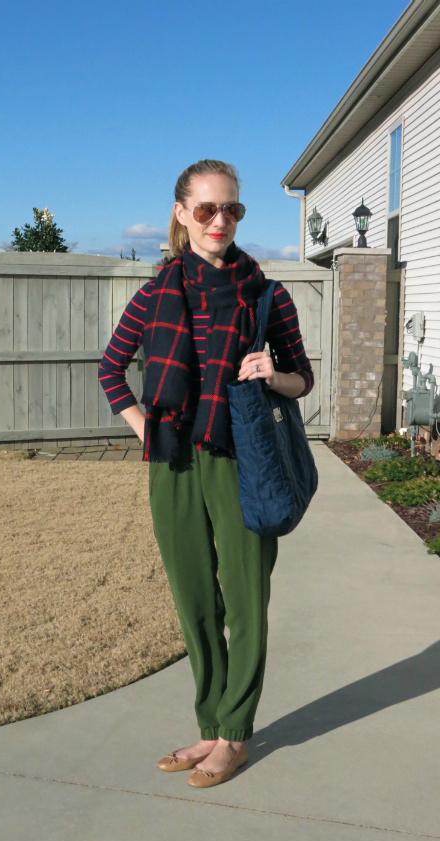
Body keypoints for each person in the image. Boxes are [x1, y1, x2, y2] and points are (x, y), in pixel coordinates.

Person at [99, 159, 314, 788]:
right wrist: (147, 427)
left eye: (232, 210)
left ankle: (235, 734)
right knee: (195, 599)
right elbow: (112, 368)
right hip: (173, 463)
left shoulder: (265, 292)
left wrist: (271, 375)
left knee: (246, 598)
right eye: (207, 209)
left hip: (243, 459)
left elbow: (304, 379)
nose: (220, 221)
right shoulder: (158, 290)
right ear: (180, 213)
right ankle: (209, 721)